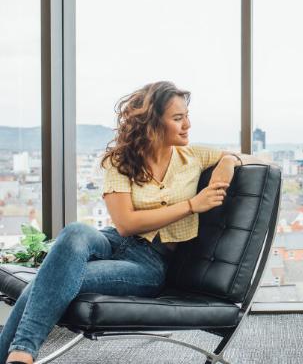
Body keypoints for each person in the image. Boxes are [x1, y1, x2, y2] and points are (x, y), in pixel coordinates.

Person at [0, 81, 265, 364]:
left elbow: (260, 159)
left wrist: (228, 160)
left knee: (51, 278)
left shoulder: (193, 156)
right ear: (153, 124)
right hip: (114, 240)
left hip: (149, 264)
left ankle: (21, 353)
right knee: (76, 231)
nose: (187, 124)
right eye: (177, 118)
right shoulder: (121, 161)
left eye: (187, 115)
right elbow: (125, 224)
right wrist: (191, 205)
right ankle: (20, 355)